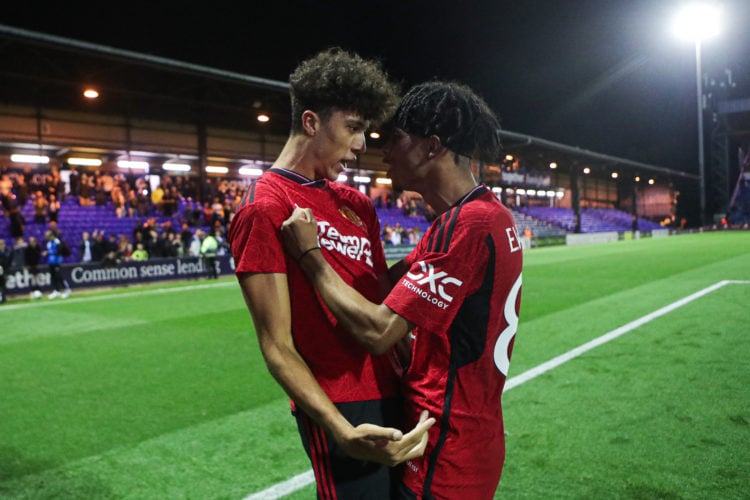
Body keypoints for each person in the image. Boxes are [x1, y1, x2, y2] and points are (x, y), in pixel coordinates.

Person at [281, 80, 524, 499]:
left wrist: (311, 256)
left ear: (431, 147)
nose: (383, 151)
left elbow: (379, 331)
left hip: (443, 450)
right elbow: (382, 286)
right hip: (469, 438)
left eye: (395, 139)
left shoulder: (467, 225)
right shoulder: (487, 216)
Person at [228, 48, 434, 499]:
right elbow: (276, 346)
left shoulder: (357, 205)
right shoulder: (264, 208)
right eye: (353, 128)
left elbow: (382, 299)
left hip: (397, 385)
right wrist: (339, 429)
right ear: (310, 122)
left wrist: (437, 249)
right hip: (342, 402)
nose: (362, 145)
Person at [43, 229, 71, 299]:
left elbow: (59, 251)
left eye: (47, 235)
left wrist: (49, 253)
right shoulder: (48, 243)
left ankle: (67, 289)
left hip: (57, 262)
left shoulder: (57, 241)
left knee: (59, 276)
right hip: (51, 262)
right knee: (53, 277)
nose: (46, 236)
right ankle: (56, 290)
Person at [0, 239, 11, 304]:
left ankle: (3, 298)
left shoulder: (7, 251)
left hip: (3, 271)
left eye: (2, 244)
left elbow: (7, 262)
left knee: (3, 285)